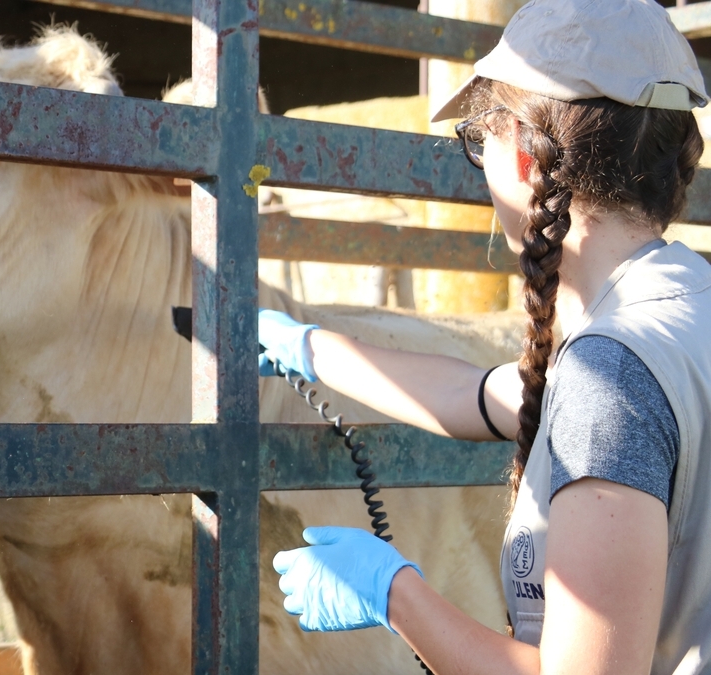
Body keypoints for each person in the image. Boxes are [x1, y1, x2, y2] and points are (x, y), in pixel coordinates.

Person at [260, 1, 711, 672]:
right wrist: (305, 345)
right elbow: (485, 395)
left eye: (479, 139)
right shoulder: (678, 304)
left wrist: (396, 594)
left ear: (528, 155)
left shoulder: (612, 374)